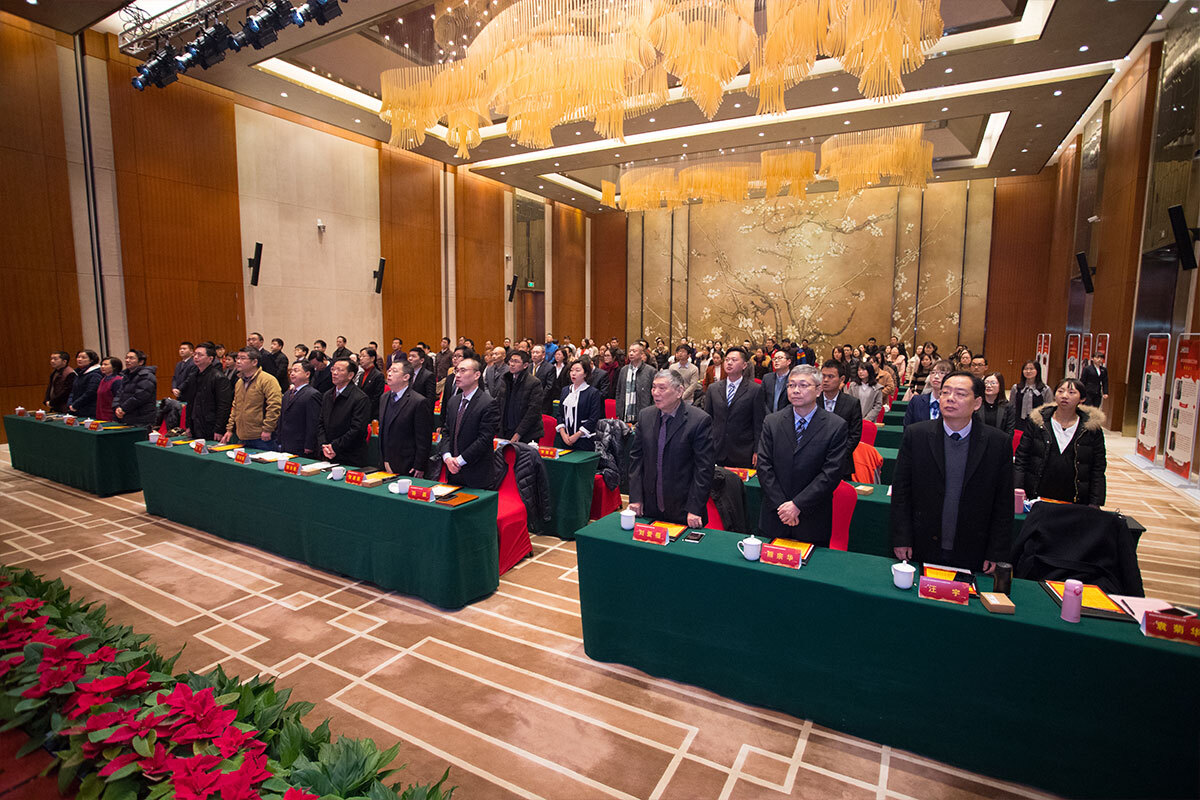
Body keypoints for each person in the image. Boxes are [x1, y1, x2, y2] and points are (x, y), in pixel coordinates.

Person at [891, 372, 1014, 572]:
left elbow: (1003, 503)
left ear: (977, 403)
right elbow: (901, 492)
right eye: (945, 392)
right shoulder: (917, 435)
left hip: (973, 547)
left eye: (960, 394)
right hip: (921, 543)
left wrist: (997, 551)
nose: (950, 398)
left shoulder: (998, 443)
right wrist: (902, 538)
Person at [628, 370, 714, 527]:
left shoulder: (699, 421)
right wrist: (636, 498)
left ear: (679, 391)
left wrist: (695, 508)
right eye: (653, 387)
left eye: (662, 388)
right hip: (649, 506)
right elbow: (636, 460)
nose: (655, 393)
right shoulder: (645, 416)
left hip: (684, 509)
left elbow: (704, 469)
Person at [1014, 378, 1106, 507]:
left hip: (1075, 498)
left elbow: (1098, 468)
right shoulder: (1038, 422)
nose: (1064, 396)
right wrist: (1018, 487)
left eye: (1071, 392)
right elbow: (1022, 457)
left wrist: (1095, 502)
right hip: (1038, 495)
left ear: (1082, 399)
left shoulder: (1091, 429)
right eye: (1060, 391)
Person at [441, 358, 499, 489]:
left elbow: (484, 439)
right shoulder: (453, 401)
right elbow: (446, 432)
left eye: (463, 371)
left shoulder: (488, 403)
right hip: (452, 471)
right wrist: (447, 457)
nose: (457, 375)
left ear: (477, 375)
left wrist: (459, 461)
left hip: (476, 473)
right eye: (456, 371)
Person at [704, 346, 765, 469]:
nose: (729, 363)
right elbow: (707, 420)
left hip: (742, 451)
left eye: (734, 360)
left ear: (744, 365)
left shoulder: (755, 390)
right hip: (717, 449)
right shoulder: (713, 389)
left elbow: (758, 423)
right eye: (727, 360)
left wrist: (757, 450)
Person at [219, 348, 282, 449]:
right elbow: (235, 407)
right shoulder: (239, 382)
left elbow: (274, 406)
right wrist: (229, 429)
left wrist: (268, 429)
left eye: (243, 358)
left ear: (254, 362)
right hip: (242, 435)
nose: (238, 361)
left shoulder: (267, 380)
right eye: (237, 358)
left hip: (262, 436)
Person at [379, 360, 432, 476]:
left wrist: (419, 465)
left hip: (407, 464)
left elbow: (423, 438)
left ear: (406, 377)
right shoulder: (384, 397)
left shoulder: (418, 401)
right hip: (385, 461)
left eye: (394, 371)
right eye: (389, 370)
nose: (389, 373)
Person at [316, 358, 371, 466]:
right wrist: (324, 444)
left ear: (350, 375)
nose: (334, 373)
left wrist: (334, 447)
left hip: (350, 456)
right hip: (327, 453)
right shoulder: (327, 395)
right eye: (333, 369)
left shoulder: (360, 398)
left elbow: (357, 430)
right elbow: (320, 422)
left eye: (340, 370)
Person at [818, 360, 863, 478]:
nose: (825, 380)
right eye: (823, 376)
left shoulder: (852, 403)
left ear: (842, 379)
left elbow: (854, 435)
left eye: (830, 376)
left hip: (841, 462)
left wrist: (837, 455)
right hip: (813, 462)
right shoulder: (812, 400)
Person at [181, 342, 232, 441]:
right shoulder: (193, 376)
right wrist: (188, 425)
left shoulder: (219, 377)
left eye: (200, 355)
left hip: (211, 426)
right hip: (195, 423)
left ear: (210, 358)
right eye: (195, 354)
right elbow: (190, 403)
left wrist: (219, 429)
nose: (196, 357)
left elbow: (223, 406)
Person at [556, 357, 604, 452]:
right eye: (571, 370)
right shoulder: (565, 390)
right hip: (565, 439)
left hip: (584, 440)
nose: (573, 373)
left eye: (577, 370)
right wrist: (563, 433)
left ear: (585, 374)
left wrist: (577, 435)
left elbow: (594, 417)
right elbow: (559, 414)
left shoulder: (592, 392)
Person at [276, 360, 321, 457]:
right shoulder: (287, 394)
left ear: (307, 374)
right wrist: (279, 438)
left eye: (296, 371)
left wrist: (309, 444)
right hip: (286, 442)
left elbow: (313, 422)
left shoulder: (312, 394)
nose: (292, 373)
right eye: (291, 371)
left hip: (301, 444)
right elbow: (282, 417)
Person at [498, 349, 544, 444]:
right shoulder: (505, 379)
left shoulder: (534, 383)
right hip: (506, 429)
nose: (512, 364)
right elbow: (499, 404)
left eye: (516, 362)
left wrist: (519, 433)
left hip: (527, 433)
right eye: (511, 361)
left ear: (525, 365)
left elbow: (533, 411)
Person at [113, 350, 157, 427]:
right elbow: (119, 393)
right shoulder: (126, 375)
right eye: (126, 358)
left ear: (141, 362)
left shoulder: (146, 376)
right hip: (126, 416)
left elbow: (140, 397)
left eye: (131, 358)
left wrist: (123, 408)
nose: (127, 360)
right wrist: (117, 407)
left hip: (141, 418)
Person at [615, 341, 655, 424]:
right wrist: (619, 410)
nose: (631, 353)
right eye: (630, 351)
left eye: (634, 351)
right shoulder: (624, 370)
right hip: (624, 413)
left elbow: (654, 394)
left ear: (641, 354)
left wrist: (651, 411)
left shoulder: (650, 371)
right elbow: (619, 391)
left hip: (644, 412)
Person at [903, 360, 952, 425]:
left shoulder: (953, 402)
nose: (936, 376)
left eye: (942, 373)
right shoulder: (916, 400)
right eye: (933, 372)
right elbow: (908, 427)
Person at [439, 346, 475, 430]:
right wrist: (441, 424)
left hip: (465, 420)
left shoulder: (473, 378)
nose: (455, 359)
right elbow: (445, 401)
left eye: (459, 356)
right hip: (449, 420)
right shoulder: (450, 378)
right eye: (454, 356)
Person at [1009, 360, 1053, 425]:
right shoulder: (1016, 388)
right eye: (1026, 369)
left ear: (1037, 370)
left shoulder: (1045, 389)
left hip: (1037, 424)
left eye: (1031, 369)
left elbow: (1049, 409)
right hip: (1018, 422)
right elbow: (1012, 406)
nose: (1028, 371)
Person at [67, 350, 102, 418]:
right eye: (78, 357)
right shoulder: (78, 373)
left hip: (89, 410)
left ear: (91, 360)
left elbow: (91, 392)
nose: (79, 359)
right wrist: (70, 404)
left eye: (83, 357)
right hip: (76, 409)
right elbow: (73, 391)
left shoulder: (95, 374)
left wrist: (75, 405)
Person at [354, 348, 385, 420]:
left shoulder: (378, 375)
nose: (361, 358)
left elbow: (377, 398)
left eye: (363, 356)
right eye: (360, 356)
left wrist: (365, 409)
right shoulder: (361, 375)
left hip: (372, 413)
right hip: (360, 411)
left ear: (372, 358)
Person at [761, 350, 793, 414]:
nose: (776, 360)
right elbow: (761, 399)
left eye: (780, 358)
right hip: (768, 416)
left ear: (788, 361)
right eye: (774, 359)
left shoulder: (794, 379)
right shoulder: (767, 378)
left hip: (787, 416)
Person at [407, 346, 437, 412]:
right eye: (409, 356)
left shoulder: (428, 376)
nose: (410, 358)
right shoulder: (407, 375)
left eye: (413, 356)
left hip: (421, 411)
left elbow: (430, 400)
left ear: (422, 360)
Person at [95, 357, 123, 421]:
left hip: (111, 416)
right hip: (101, 415)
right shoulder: (103, 379)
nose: (102, 367)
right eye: (102, 364)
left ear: (114, 367)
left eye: (105, 365)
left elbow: (118, 399)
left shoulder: (117, 380)